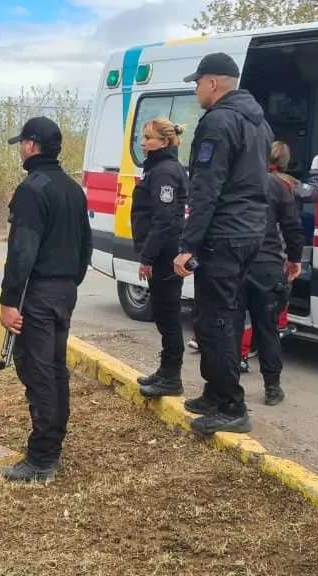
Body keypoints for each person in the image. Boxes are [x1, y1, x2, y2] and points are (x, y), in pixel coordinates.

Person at [171, 52, 272, 435]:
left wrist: (188, 245)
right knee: (220, 314)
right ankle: (214, 393)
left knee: (216, 321)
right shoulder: (257, 121)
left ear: (213, 83)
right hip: (249, 232)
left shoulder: (218, 121)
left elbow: (205, 188)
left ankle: (231, 406)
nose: (196, 90)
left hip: (224, 234)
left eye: (198, 83)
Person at [0, 116, 92, 482]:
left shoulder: (32, 189)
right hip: (64, 290)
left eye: (22, 143)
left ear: (31, 145)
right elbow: (86, 245)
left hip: (37, 293)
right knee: (53, 369)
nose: (21, 149)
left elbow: (22, 251)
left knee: (38, 372)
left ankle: (41, 458)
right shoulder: (72, 188)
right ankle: (51, 446)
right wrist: (70, 283)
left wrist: (9, 301)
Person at [238, 141, 305, 406]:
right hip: (266, 267)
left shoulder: (235, 179)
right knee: (267, 330)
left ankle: (227, 389)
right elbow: (292, 227)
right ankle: (272, 388)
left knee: (231, 327)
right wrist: (295, 259)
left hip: (235, 263)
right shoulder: (280, 186)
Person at [132, 117, 191, 398]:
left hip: (165, 254)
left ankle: (171, 377)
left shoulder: (165, 172)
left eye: (148, 138)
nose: (143, 143)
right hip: (163, 251)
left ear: (164, 142)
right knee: (163, 313)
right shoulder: (159, 169)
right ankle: (166, 370)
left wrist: (147, 256)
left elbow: (164, 220)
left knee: (167, 315)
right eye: (143, 138)